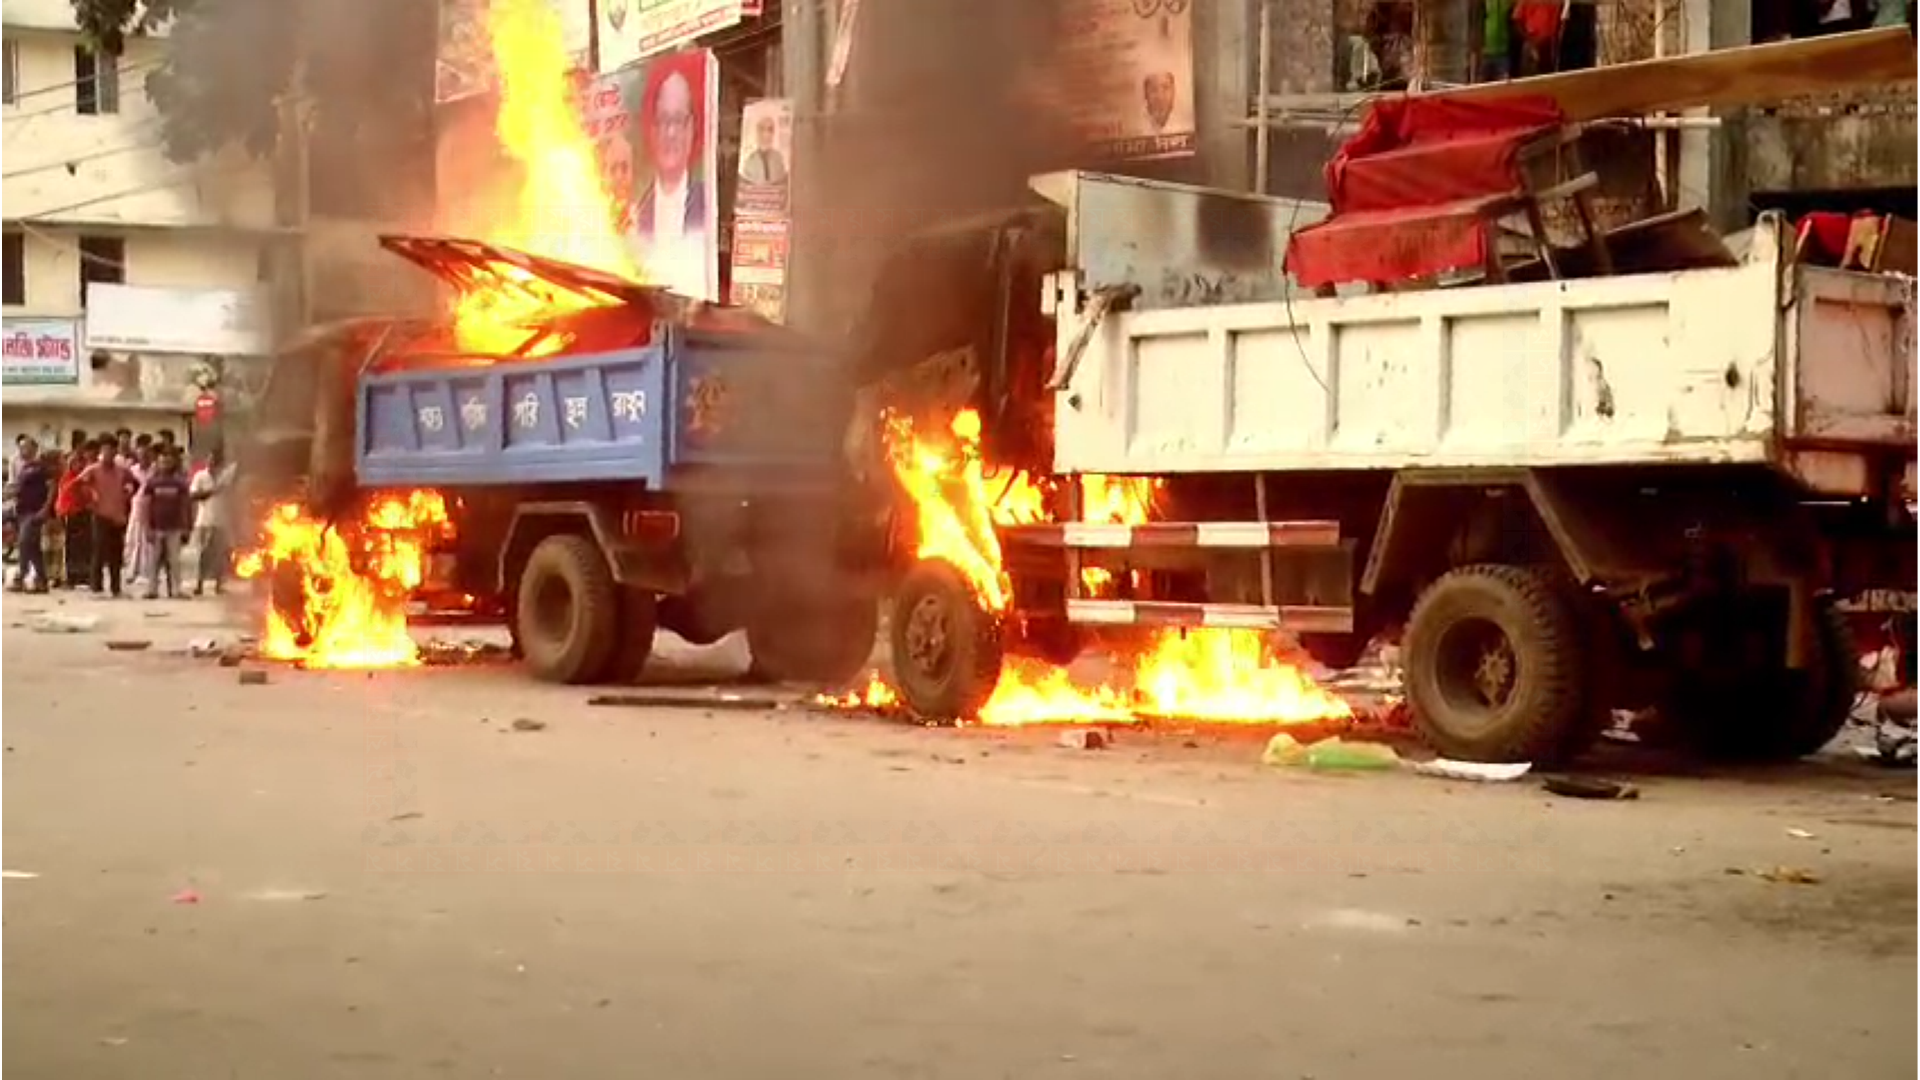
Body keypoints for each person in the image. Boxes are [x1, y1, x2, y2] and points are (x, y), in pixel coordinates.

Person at [630, 67, 709, 298]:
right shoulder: (635, 212)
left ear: (691, 128)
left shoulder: (708, 203)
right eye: (663, 120)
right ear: (652, 129)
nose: (671, 133)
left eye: (678, 120)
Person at [78, 447, 133, 597]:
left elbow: (133, 484)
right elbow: (80, 484)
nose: (108, 455)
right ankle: (96, 586)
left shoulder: (122, 471)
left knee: (116, 553)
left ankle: (116, 587)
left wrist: (127, 494)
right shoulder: (93, 470)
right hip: (100, 515)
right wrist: (90, 498)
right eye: (106, 452)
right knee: (99, 550)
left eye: (111, 452)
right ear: (102, 453)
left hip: (117, 515)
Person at [140, 450, 190, 600]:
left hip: (174, 528)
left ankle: (176, 590)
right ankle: (152, 589)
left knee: (175, 561)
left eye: (168, 462)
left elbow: (185, 506)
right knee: (154, 561)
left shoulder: (180, 483)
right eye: (162, 462)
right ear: (158, 463)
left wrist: (186, 527)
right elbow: (145, 506)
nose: (165, 465)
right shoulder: (152, 483)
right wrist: (147, 527)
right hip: (156, 527)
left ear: (173, 463)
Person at [7, 438, 52, 593]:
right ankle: (42, 580)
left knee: (24, 542)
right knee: (33, 547)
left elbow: (52, 487)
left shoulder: (42, 467)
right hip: (22, 510)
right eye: (20, 447)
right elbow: (17, 489)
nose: (22, 450)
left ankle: (21, 576)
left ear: (34, 448)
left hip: (34, 511)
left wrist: (46, 508)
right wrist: (8, 496)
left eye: (25, 447)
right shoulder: (23, 468)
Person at [190, 449, 236, 596]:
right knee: (204, 554)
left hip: (221, 522)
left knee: (220, 555)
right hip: (205, 521)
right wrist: (212, 491)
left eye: (215, 461)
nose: (211, 463)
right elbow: (193, 495)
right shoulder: (200, 476)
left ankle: (219, 585)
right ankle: (199, 584)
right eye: (210, 460)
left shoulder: (226, 478)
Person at [56, 442, 97, 589]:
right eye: (75, 462)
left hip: (85, 514)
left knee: (85, 546)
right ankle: (72, 577)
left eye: (81, 462)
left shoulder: (88, 478)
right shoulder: (67, 478)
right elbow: (65, 495)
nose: (79, 465)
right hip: (71, 514)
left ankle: (85, 576)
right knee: (71, 547)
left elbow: (91, 495)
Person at [738, 114, 787, 186]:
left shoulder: (779, 159)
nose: (766, 134)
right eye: (762, 129)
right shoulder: (749, 161)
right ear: (757, 132)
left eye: (770, 130)